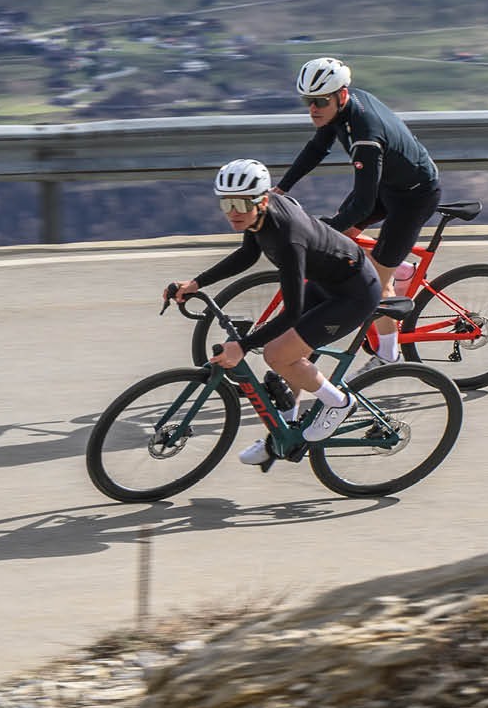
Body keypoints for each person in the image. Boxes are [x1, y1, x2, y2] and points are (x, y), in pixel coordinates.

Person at [167, 158, 381, 466]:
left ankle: (340, 403)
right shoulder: (258, 217)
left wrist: (243, 346)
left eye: (241, 204)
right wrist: (196, 283)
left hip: (354, 295)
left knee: (277, 355)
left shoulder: (288, 237)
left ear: (263, 200)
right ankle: (284, 435)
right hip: (328, 284)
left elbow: (291, 313)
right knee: (285, 360)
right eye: (226, 204)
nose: (233, 212)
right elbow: (247, 254)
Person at [274, 56, 441, 377]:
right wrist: (281, 189)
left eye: (320, 101)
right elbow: (317, 149)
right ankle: (401, 269)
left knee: (375, 283)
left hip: (414, 197)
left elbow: (362, 206)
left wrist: (320, 236)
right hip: (388, 184)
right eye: (308, 101)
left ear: (341, 95)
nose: (313, 108)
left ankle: (389, 355)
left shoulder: (365, 135)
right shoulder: (342, 107)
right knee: (344, 238)